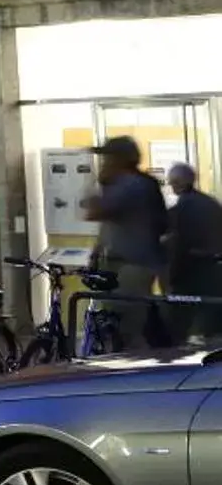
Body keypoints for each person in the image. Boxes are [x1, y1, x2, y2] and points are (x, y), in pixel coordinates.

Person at [83, 136, 168, 350]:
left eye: (108, 157)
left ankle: (139, 374)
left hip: (132, 265)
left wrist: (94, 184)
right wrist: (95, 253)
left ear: (121, 159)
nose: (104, 162)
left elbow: (95, 212)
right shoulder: (127, 184)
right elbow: (108, 224)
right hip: (119, 263)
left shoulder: (133, 184)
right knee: (116, 322)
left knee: (129, 327)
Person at [167, 163, 222, 344]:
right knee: (213, 322)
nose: (170, 185)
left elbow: (180, 242)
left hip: (190, 269)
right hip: (214, 269)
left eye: (172, 182)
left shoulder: (183, 206)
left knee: (180, 322)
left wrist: (172, 273)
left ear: (179, 182)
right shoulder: (211, 203)